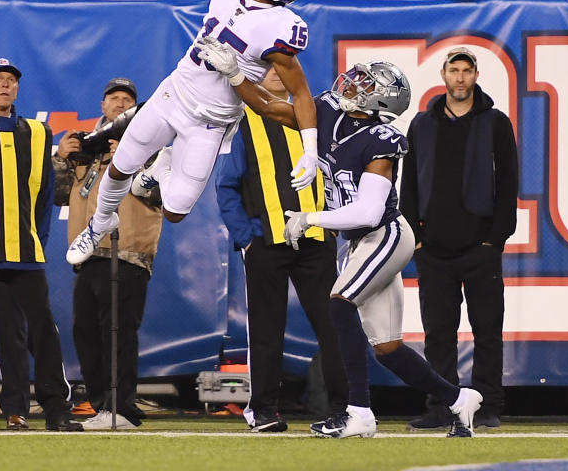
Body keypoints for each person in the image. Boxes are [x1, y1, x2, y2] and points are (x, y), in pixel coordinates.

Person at [195, 44, 485, 438]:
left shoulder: (382, 140)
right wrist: (235, 76)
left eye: (366, 83)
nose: (353, 83)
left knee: (339, 305)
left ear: (378, 101)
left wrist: (310, 217)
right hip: (361, 242)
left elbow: (367, 213)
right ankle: (458, 400)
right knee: (388, 349)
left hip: (385, 235)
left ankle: (359, 412)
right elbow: (272, 108)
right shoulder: (330, 111)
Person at [66, 0, 320, 266]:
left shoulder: (281, 27)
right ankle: (99, 222)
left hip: (211, 122)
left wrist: (311, 146)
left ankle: (164, 167)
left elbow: (300, 93)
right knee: (121, 166)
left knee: (176, 210)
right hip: (174, 94)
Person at [214, 66, 349, 433]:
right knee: (266, 328)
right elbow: (226, 186)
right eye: (268, 66)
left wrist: (334, 224)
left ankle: (345, 406)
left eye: (281, 66)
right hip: (266, 240)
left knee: (334, 323)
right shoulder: (243, 124)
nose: (276, 72)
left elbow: (338, 175)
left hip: (317, 240)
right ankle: (264, 410)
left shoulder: (317, 122)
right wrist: (247, 238)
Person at [399, 47, 517, 431]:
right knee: (438, 334)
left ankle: (488, 406)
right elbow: (410, 182)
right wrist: (415, 236)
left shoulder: (496, 122)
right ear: (443, 75)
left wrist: (495, 238)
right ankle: (440, 405)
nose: (461, 77)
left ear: (476, 75)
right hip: (433, 248)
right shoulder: (422, 123)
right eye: (455, 70)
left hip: (480, 247)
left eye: (467, 70)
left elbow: (509, 182)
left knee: (487, 332)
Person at [0, 58, 82, 432]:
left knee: (40, 332)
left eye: (11, 80)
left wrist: (37, 242)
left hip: (25, 255)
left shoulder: (36, 132)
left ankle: (49, 409)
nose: (5, 85)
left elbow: (47, 195)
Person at [53, 78, 162, 430]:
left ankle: (122, 408)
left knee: (118, 331)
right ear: (102, 106)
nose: (119, 103)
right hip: (86, 254)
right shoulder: (87, 146)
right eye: (113, 98)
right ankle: (100, 405)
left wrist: (128, 162)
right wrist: (60, 158)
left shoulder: (152, 145)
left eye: (127, 99)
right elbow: (55, 195)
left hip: (128, 251)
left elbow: (163, 194)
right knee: (85, 331)